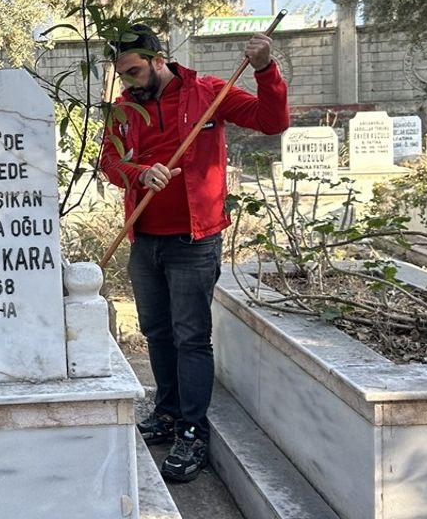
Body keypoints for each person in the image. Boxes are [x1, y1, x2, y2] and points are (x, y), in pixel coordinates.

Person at [99, 25, 289, 482]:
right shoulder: (124, 110)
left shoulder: (208, 92)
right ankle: (166, 413)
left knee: (190, 337)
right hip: (145, 239)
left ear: (159, 59)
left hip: (193, 241)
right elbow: (110, 161)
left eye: (135, 71)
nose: (128, 82)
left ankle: (192, 430)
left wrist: (265, 70)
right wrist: (140, 173)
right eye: (122, 74)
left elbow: (272, 120)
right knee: (157, 332)